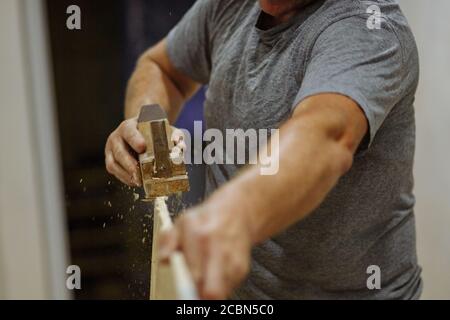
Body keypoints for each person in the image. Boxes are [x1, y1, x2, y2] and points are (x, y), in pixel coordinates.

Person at [105, 0, 422, 299]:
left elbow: (325, 134)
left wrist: (236, 214)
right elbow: (163, 68)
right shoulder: (229, 6)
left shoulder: (369, 27)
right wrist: (146, 127)